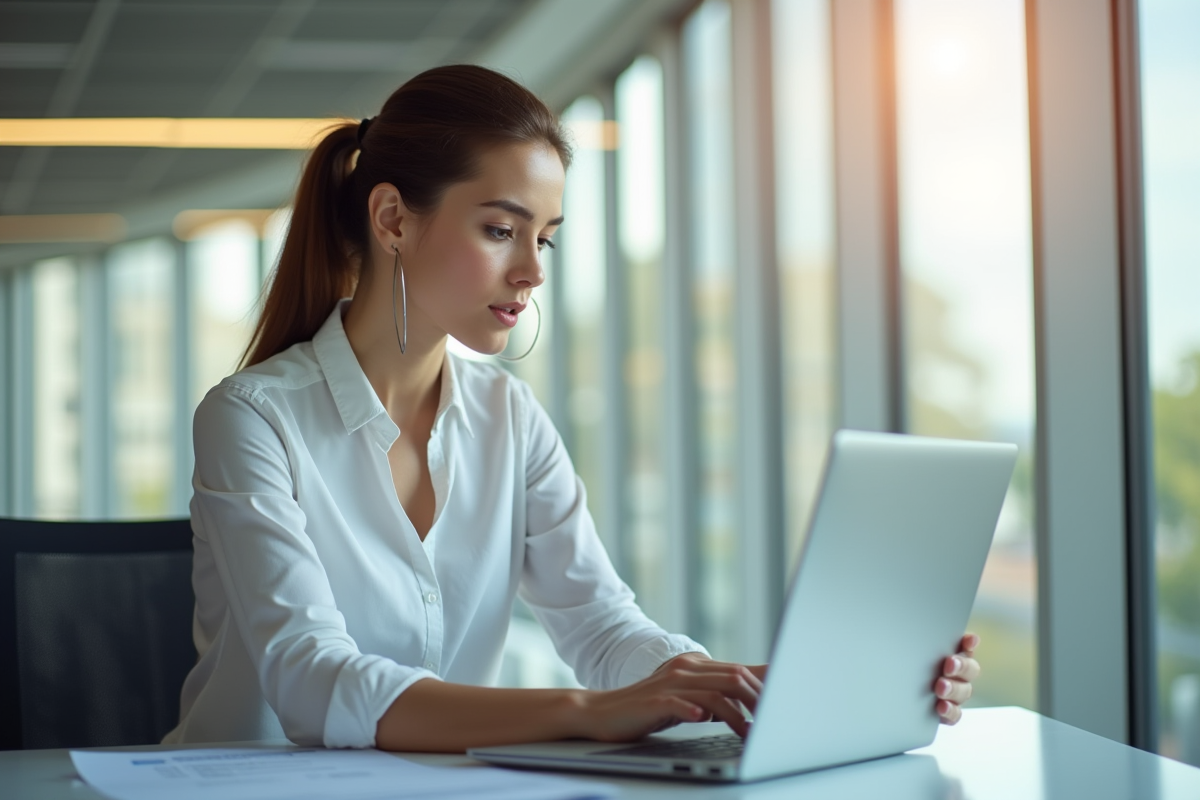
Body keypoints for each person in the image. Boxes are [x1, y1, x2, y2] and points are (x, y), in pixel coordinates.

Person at [164, 64, 979, 753]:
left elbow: (602, 626)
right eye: (499, 230)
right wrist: (588, 713)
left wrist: (746, 690)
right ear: (392, 220)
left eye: (544, 238)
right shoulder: (252, 419)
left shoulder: (510, 419)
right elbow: (313, 679)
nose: (532, 271)